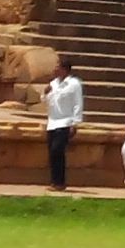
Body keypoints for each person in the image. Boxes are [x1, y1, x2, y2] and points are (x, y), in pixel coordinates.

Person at [42, 56, 84, 193]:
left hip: (65, 121)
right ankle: (54, 181)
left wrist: (75, 123)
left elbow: (78, 103)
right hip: (52, 122)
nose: (55, 69)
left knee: (57, 150)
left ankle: (60, 181)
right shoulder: (53, 83)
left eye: (57, 67)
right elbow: (46, 101)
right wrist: (45, 93)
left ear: (64, 69)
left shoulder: (74, 84)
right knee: (52, 153)